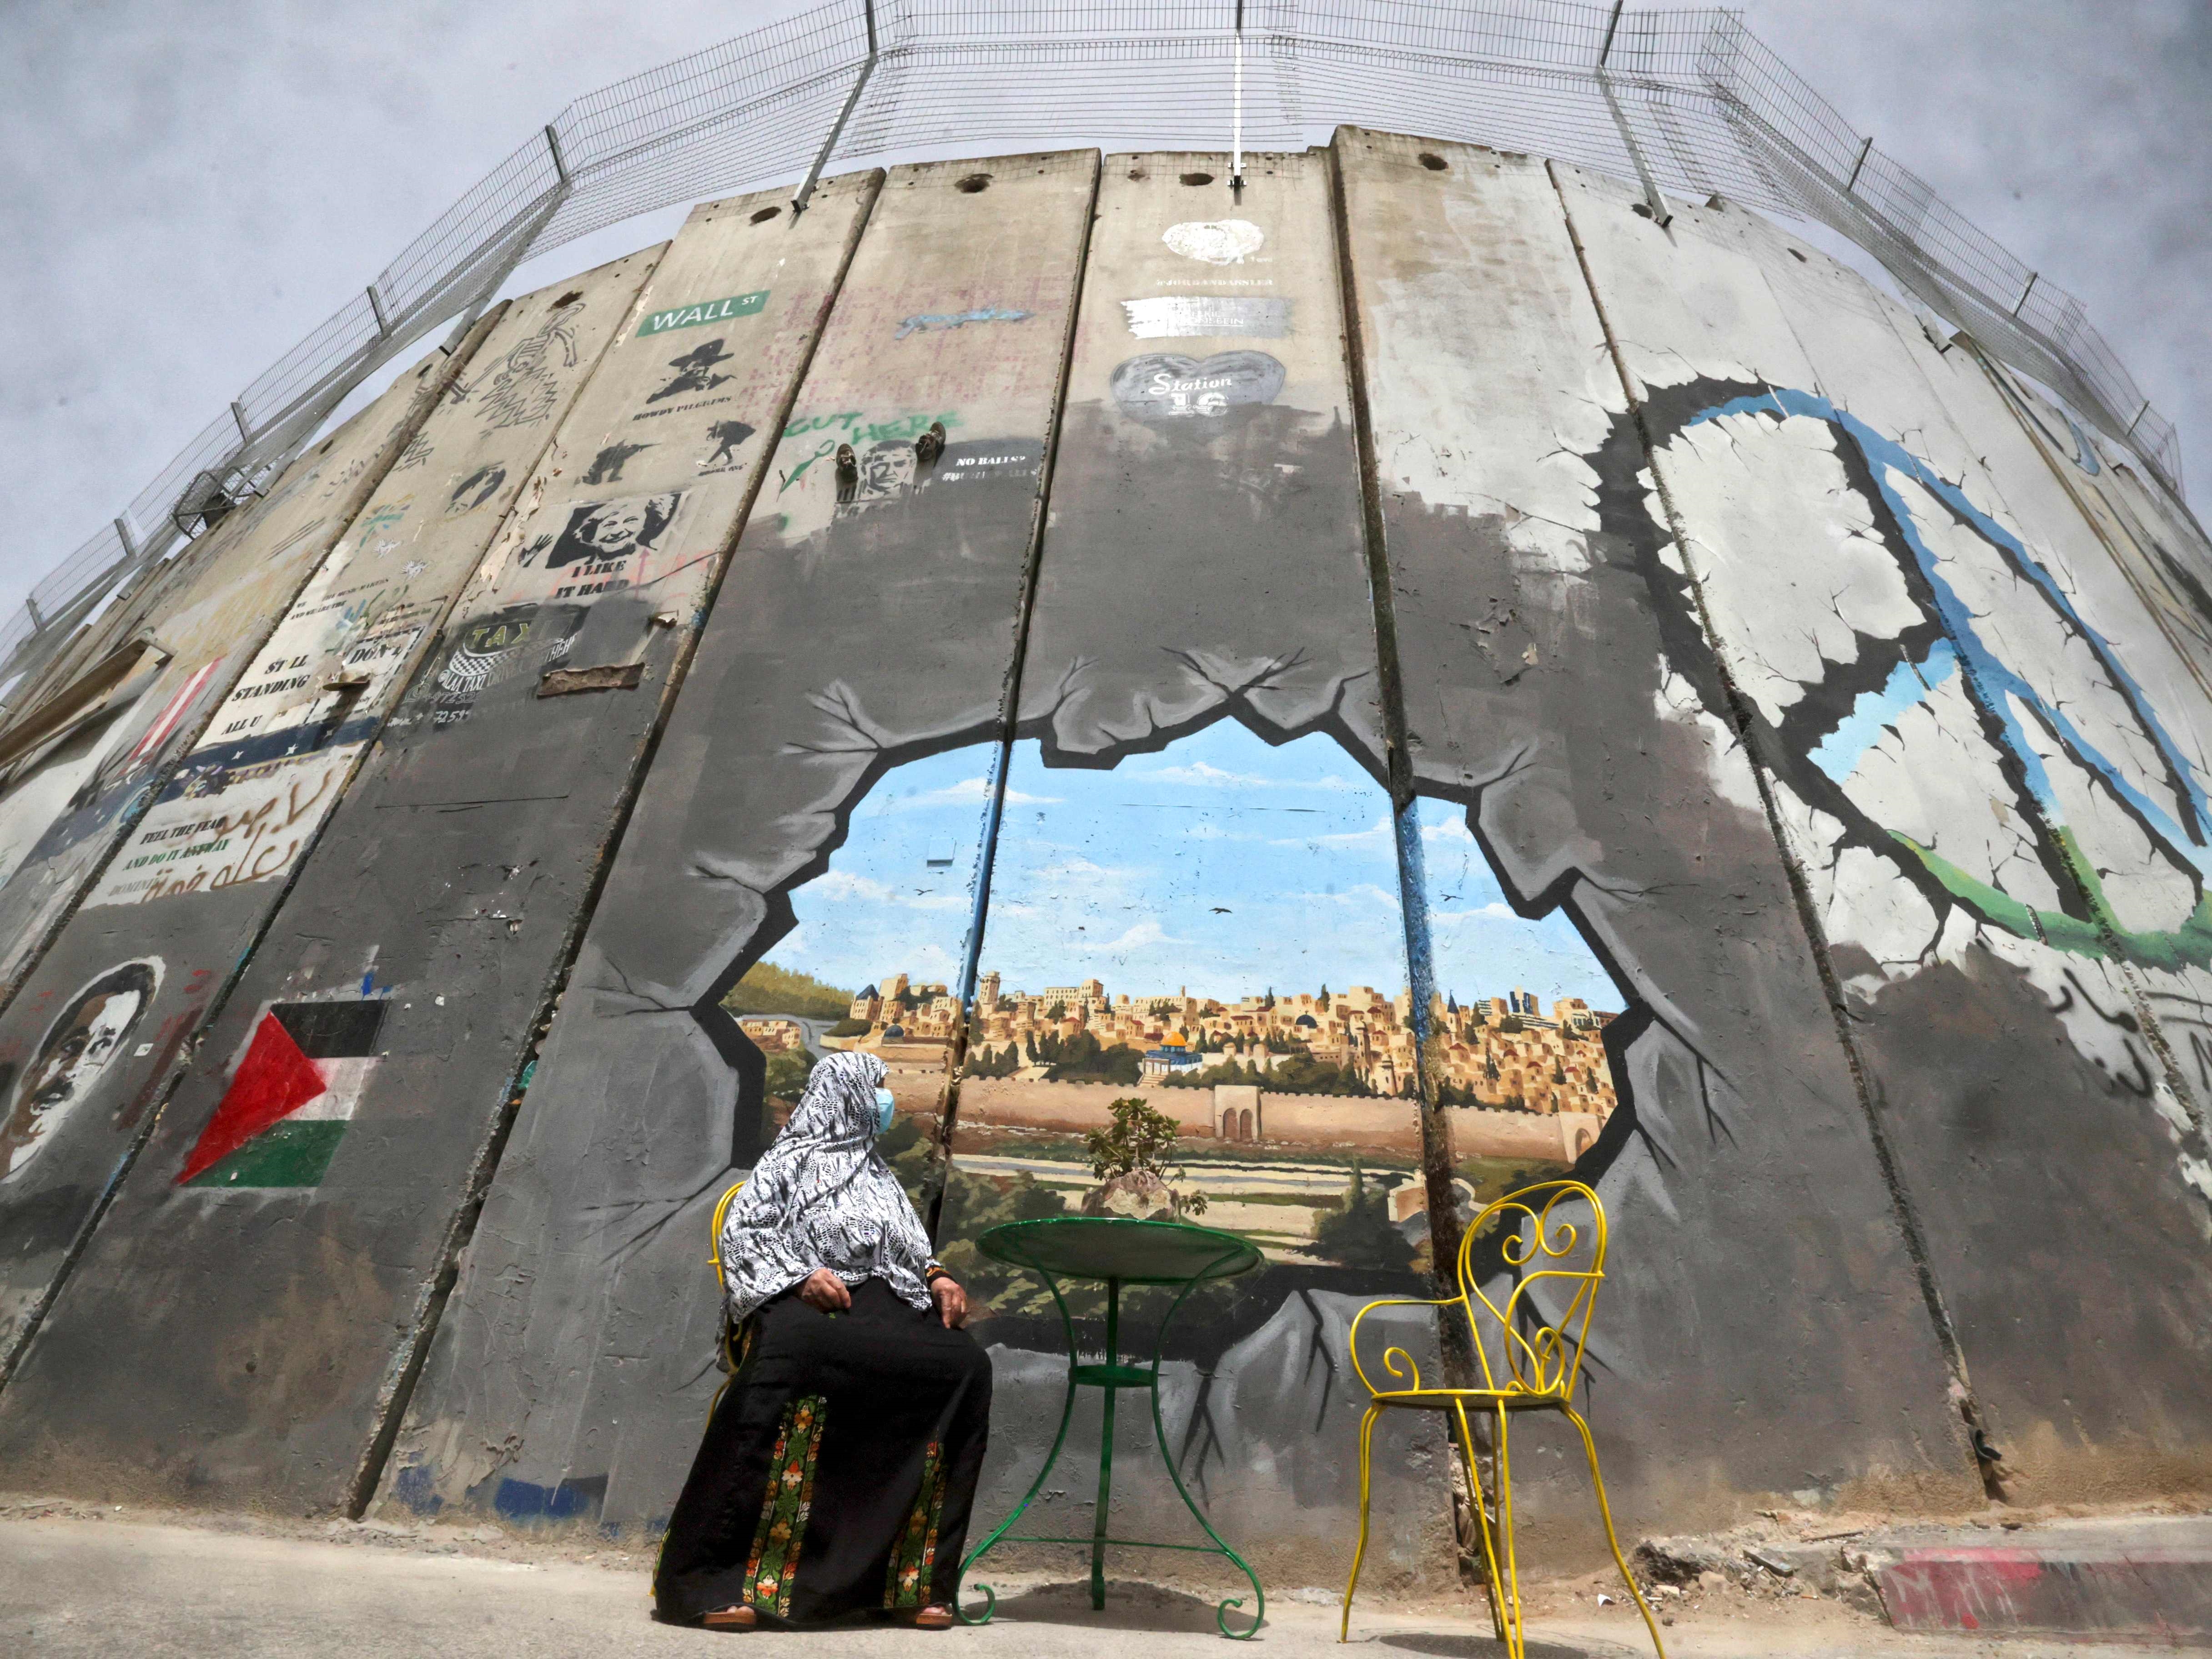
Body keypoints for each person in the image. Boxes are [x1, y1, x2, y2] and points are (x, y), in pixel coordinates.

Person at [655, 1050, 989, 1631]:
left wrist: (939, 1277)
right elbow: (747, 1231)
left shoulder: (880, 1175)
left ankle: (909, 1583)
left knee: (963, 1364)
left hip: (888, 1304)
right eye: (878, 1086)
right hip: (811, 1299)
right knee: (797, 1356)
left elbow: (912, 1249)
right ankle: (713, 1580)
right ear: (848, 1096)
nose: (886, 1099)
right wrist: (800, 1274)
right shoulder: (786, 1163)